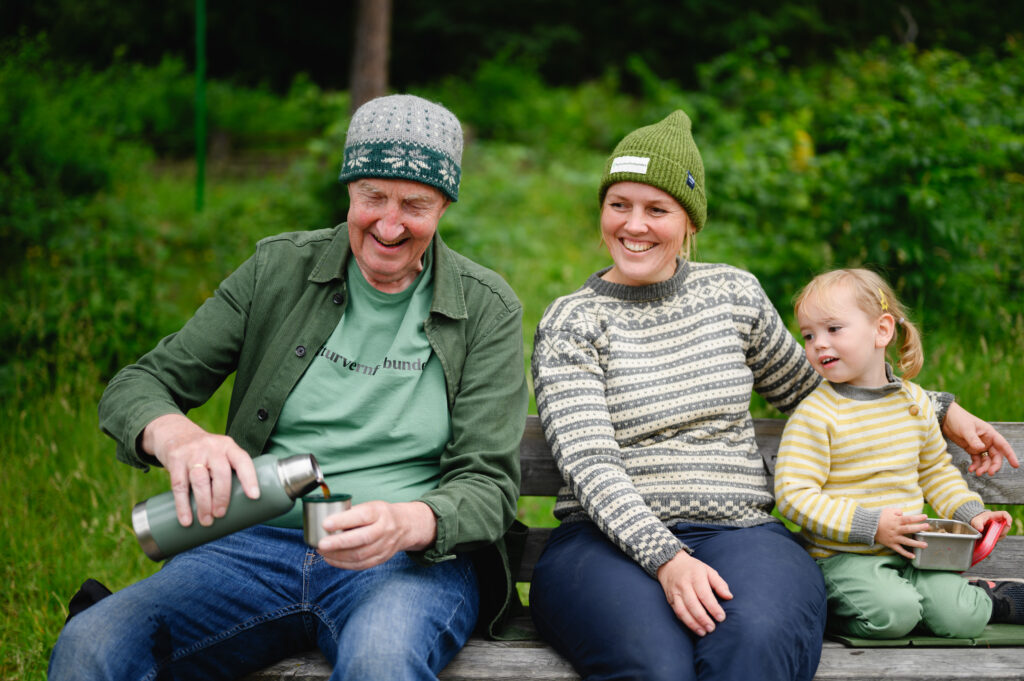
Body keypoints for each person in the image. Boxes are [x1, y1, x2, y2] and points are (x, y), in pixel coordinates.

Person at [48, 94, 529, 681]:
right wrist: (174, 436)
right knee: (92, 642)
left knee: (381, 662)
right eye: (373, 196)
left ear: (445, 205)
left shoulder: (486, 307)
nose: (390, 222)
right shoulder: (277, 270)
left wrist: (410, 521)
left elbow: (489, 484)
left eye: (416, 204)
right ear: (348, 189)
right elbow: (139, 383)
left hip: (405, 566)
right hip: (250, 550)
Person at [528, 110, 1018, 681]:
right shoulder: (573, 320)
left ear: (690, 221)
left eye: (656, 209)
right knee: (654, 666)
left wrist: (938, 406)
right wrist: (667, 559)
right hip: (603, 543)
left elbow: (819, 387)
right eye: (619, 205)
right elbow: (591, 464)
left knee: (757, 649)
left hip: (741, 532)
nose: (633, 225)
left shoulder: (733, 294)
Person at [773, 268, 1023, 639]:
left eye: (833, 329)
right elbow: (794, 497)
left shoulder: (915, 402)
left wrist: (974, 514)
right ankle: (826, 610)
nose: (818, 344)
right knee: (894, 615)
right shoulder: (817, 414)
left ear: (882, 330)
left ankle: (993, 598)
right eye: (809, 335)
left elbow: (935, 473)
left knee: (961, 618)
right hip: (844, 558)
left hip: (915, 552)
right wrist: (871, 525)